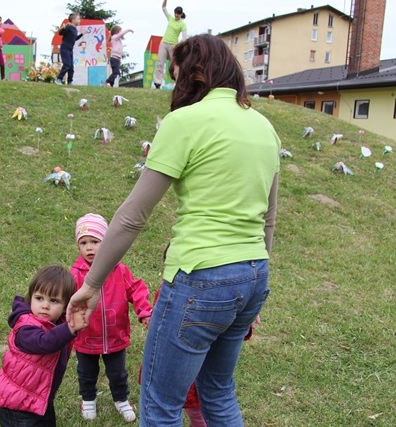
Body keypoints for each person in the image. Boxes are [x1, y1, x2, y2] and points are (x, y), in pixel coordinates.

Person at [67, 34, 281, 427]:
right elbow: (268, 220)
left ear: (194, 74)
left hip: (201, 278)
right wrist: (247, 294)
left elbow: (133, 215)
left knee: (160, 405)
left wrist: (93, 283)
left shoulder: (184, 122)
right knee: (219, 392)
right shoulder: (263, 126)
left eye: (176, 74)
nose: (173, 83)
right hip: (253, 275)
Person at [70, 213, 153, 423]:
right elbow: (64, 300)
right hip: (86, 336)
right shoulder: (75, 274)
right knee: (86, 372)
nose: (89, 248)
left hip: (115, 336)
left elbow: (137, 290)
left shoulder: (120, 270)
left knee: (118, 373)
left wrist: (144, 311)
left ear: (106, 243)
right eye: (84, 243)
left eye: (95, 242)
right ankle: (88, 399)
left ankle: (121, 399)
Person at [0, 265, 88, 427]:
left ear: (65, 307)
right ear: (30, 297)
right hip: (18, 405)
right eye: (39, 298)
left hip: (39, 399)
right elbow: (45, 342)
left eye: (54, 301)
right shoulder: (26, 327)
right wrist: (70, 327)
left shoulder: (55, 322)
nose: (45, 305)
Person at [153, 0, 187, 89]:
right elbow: (164, 8)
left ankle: (178, 82)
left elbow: (184, 38)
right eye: (175, 13)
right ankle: (157, 82)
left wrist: (177, 45)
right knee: (160, 62)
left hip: (173, 46)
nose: (176, 15)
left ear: (181, 14)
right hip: (164, 43)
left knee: (175, 65)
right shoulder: (171, 18)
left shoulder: (182, 24)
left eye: (178, 14)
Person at [55, 13, 86, 85]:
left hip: (70, 49)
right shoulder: (69, 27)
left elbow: (75, 39)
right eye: (78, 19)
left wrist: (81, 34)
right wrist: (64, 27)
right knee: (67, 65)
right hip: (65, 48)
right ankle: (59, 79)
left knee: (71, 67)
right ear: (73, 20)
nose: (79, 21)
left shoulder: (75, 29)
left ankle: (70, 81)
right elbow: (60, 33)